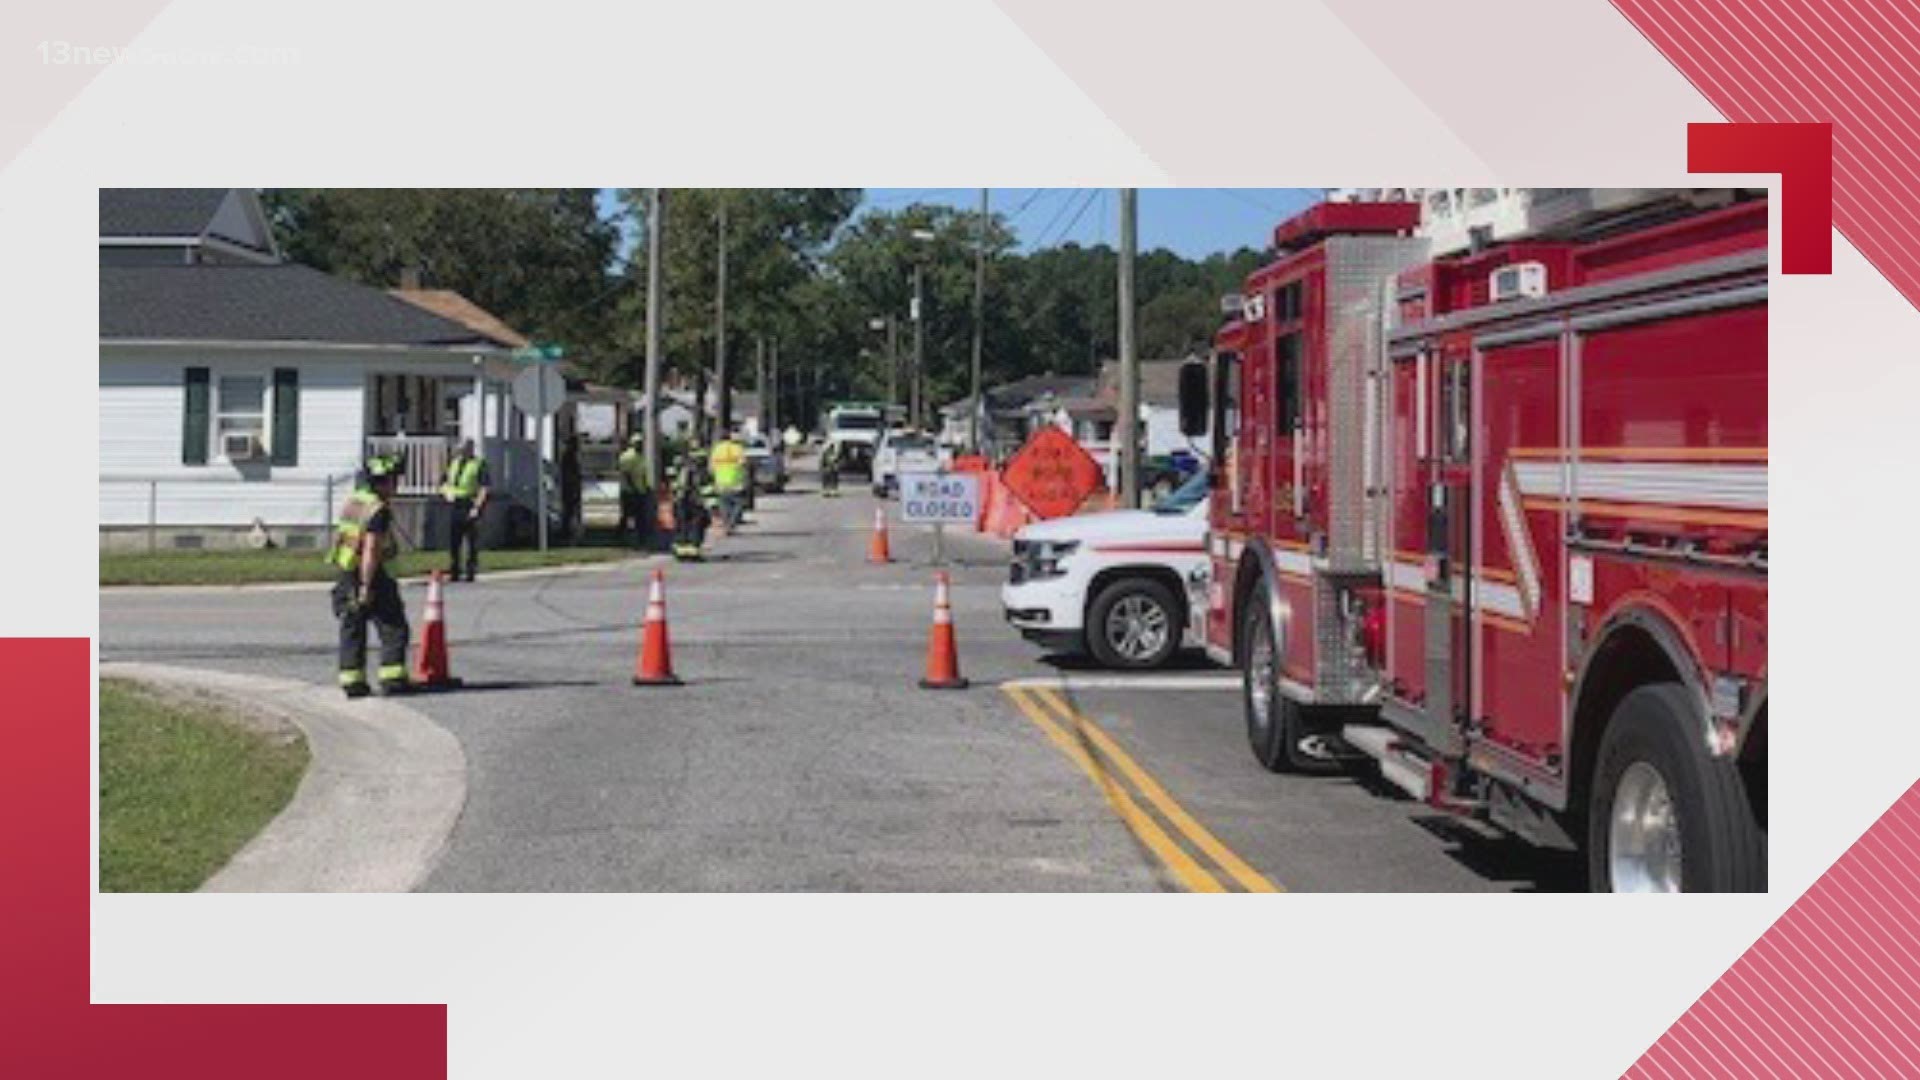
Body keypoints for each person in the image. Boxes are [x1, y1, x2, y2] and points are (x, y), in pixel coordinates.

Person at [329, 455, 410, 698]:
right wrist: (366, 584)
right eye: (394, 480)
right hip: (373, 574)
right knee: (393, 627)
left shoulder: (354, 502)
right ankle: (392, 679)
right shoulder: (377, 510)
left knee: (352, 627)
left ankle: (352, 681)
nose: (396, 487)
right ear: (383, 482)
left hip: (346, 571)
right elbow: (371, 549)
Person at [441, 439, 489, 582]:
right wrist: (446, 493)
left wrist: (477, 507)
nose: (462, 452)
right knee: (454, 540)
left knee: (471, 540)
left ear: (471, 449)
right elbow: (443, 482)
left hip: (470, 503)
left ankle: (470, 570)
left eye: (464, 449)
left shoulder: (479, 464)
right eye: (460, 449)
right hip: (455, 503)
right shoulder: (453, 463)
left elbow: (484, 487)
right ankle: (454, 569)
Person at [672, 443, 712, 561]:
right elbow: (707, 490)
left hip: (680, 501)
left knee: (682, 525)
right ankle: (693, 551)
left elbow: (674, 486)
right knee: (697, 525)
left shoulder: (681, 469)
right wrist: (713, 508)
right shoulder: (701, 472)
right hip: (696, 503)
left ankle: (681, 551)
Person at [616, 434, 654, 550]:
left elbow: (642, 473)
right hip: (629, 492)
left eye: (641, 443)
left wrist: (646, 487)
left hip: (640, 491)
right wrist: (633, 488)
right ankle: (620, 537)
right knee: (627, 516)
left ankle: (641, 540)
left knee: (640, 517)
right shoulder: (627, 456)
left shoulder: (641, 457)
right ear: (633, 444)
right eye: (638, 443)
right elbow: (626, 474)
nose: (640, 445)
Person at [709, 428, 748, 534]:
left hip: (721, 481)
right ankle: (731, 524)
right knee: (739, 504)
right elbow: (743, 463)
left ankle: (726, 524)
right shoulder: (737, 448)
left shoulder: (716, 449)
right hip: (735, 481)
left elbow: (712, 466)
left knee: (724, 505)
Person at [559, 432, 582, 543]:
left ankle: (570, 532)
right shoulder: (568, 456)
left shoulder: (571, 455)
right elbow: (569, 474)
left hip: (572, 487)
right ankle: (567, 533)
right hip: (569, 488)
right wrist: (573, 486)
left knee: (571, 512)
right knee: (569, 512)